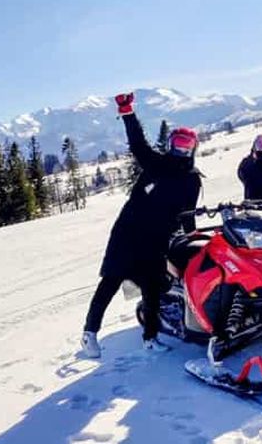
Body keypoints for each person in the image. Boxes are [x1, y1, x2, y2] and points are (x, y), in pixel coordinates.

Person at [81, 92, 202, 358]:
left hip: (157, 238)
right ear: (170, 145)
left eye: (187, 146)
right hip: (128, 231)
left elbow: (188, 212)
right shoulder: (156, 163)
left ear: (194, 149)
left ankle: (150, 337)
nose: (181, 151)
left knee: (152, 288)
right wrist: (128, 112)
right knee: (111, 279)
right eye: (178, 145)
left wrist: (191, 235)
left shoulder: (192, 179)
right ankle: (89, 332)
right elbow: (138, 143)